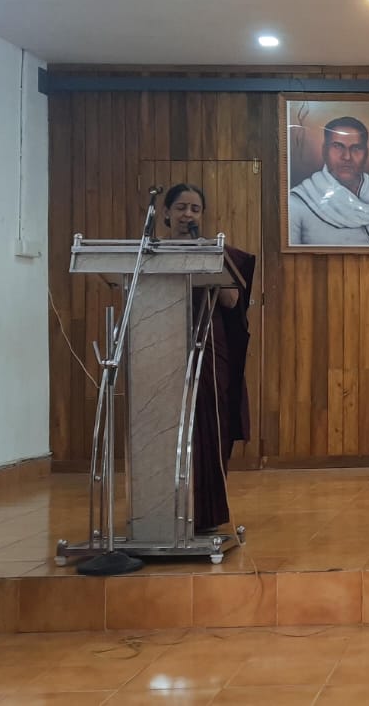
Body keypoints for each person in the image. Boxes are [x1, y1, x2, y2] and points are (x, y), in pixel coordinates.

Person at [163, 183, 256, 534]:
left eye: (195, 209)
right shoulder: (152, 253)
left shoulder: (213, 251)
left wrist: (208, 267)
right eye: (181, 207)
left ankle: (204, 514)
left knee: (208, 423)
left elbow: (232, 301)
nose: (187, 214)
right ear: (166, 213)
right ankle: (162, 510)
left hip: (207, 343)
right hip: (161, 342)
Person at [288, 116, 369, 246]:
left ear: (366, 154)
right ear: (324, 150)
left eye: (356, 148)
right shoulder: (297, 202)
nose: (347, 157)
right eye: (337, 146)